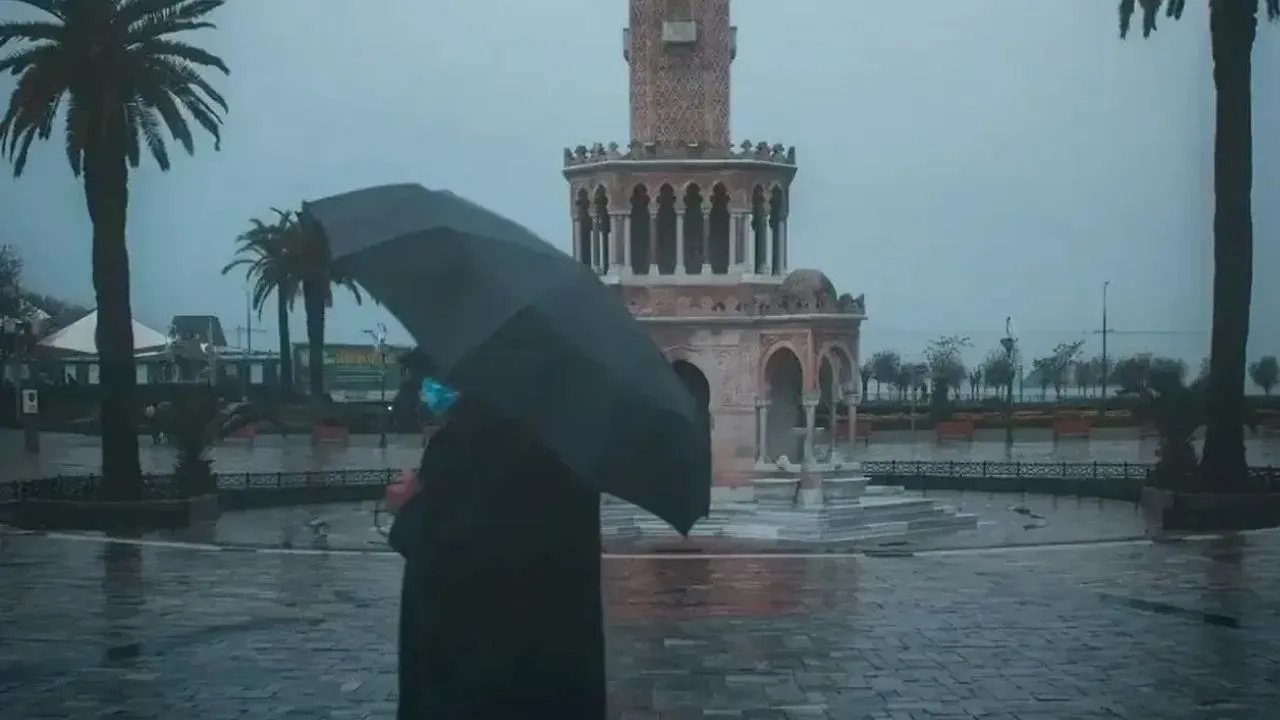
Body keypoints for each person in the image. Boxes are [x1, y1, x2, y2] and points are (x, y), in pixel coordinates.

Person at [386, 379, 606, 719]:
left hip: (471, 668)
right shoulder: (575, 446)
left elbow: (446, 548)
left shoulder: (468, 442)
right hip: (556, 662)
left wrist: (408, 505)